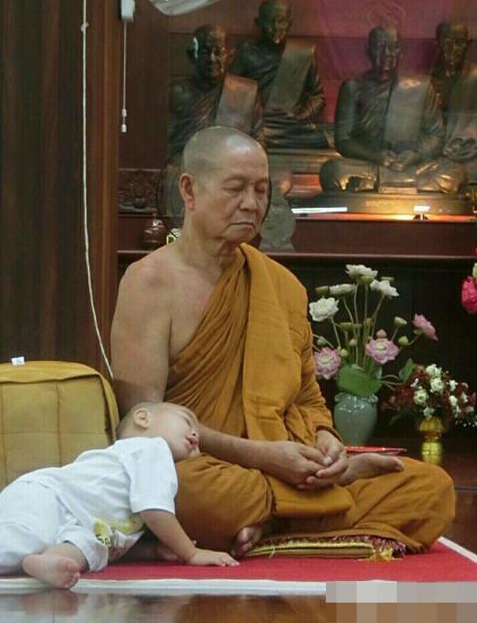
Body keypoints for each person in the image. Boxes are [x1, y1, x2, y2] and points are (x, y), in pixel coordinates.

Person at [111, 125, 455, 556]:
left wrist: (328, 441)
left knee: (432, 487)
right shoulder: (149, 282)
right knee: (178, 489)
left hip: (283, 469)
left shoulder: (280, 285)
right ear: (189, 190)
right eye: (235, 188)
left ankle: (272, 520)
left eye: (261, 190)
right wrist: (261, 456)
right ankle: (300, 512)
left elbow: (307, 397)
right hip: (206, 468)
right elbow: (143, 425)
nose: (251, 204)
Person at [0, 402, 238, 588]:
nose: (195, 433)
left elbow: (122, 532)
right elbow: (154, 510)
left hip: (79, 521)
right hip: (47, 497)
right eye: (186, 421)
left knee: (90, 547)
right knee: (23, 535)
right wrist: (190, 553)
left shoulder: (146, 464)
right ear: (143, 418)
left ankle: (49, 560)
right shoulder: (150, 449)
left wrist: (151, 552)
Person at [320, 26, 463, 194]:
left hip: (411, 165)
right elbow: (344, 140)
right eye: (380, 47)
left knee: (456, 173)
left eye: (393, 48)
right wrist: (376, 156)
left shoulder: (421, 88)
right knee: (332, 171)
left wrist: (416, 154)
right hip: (371, 165)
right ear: (368, 52)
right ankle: (403, 184)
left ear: (401, 53)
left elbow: (436, 136)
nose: (387, 54)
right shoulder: (353, 88)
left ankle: (376, 185)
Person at [166, 24, 264, 220]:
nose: (211, 59)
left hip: (233, 183)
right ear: (191, 55)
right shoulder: (177, 93)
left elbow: (259, 143)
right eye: (204, 52)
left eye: (218, 52)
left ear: (230, 56)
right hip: (188, 179)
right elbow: (167, 145)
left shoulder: (246, 92)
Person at [231, 0, 329, 150]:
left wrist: (301, 115)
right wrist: (252, 116)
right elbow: (231, 92)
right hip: (258, 124)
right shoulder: (247, 52)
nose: (276, 27)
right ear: (258, 23)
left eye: (281, 21)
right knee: (247, 136)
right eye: (269, 22)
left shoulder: (302, 53)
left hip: (290, 126)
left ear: (290, 23)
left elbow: (318, 97)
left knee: (320, 139)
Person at [431, 20, 477, 184]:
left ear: (468, 45)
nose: (453, 49)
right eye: (447, 43)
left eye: (459, 43)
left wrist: (465, 140)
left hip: (467, 152)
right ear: (437, 44)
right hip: (434, 154)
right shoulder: (428, 79)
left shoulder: (474, 77)